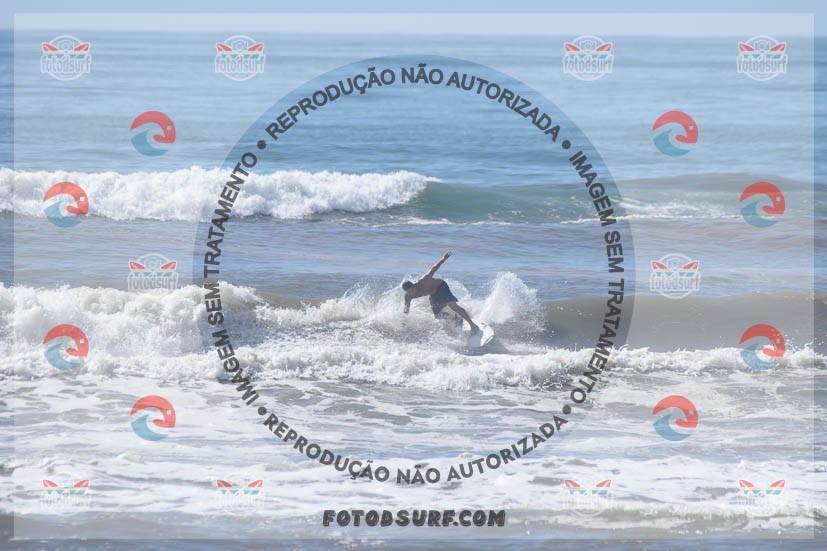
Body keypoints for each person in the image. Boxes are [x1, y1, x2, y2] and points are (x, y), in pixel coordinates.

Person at [401, 250, 480, 335]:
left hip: (441, 287)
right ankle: (455, 319)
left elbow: (433, 269)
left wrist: (444, 258)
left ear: (414, 285)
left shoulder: (424, 281)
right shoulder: (408, 296)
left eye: (412, 290)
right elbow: (406, 309)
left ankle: (473, 326)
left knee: (453, 305)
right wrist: (404, 321)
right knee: (438, 315)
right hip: (433, 294)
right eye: (409, 292)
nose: (411, 293)